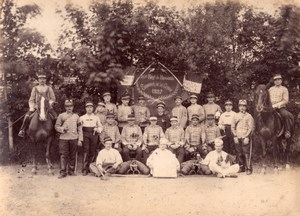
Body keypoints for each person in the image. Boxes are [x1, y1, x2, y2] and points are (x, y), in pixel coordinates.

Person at [18, 72, 57, 137]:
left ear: (45, 80)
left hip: (47, 107)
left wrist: (49, 104)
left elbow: (53, 98)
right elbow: (31, 99)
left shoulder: (49, 88)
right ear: (38, 80)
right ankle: (22, 130)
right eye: (40, 79)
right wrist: (32, 107)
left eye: (43, 79)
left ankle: (56, 132)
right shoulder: (35, 88)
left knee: (56, 117)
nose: (42, 80)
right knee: (27, 116)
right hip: (37, 107)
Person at [55, 99, 83, 179]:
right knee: (63, 155)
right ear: (65, 107)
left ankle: (71, 170)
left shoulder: (76, 116)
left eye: (70, 106)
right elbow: (56, 126)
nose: (69, 108)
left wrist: (80, 139)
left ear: (73, 107)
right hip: (63, 138)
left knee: (73, 155)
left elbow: (80, 128)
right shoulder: (61, 116)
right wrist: (62, 129)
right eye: (67, 106)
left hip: (74, 138)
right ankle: (63, 171)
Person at [80, 101, 103, 176]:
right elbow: (79, 128)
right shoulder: (82, 117)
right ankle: (84, 169)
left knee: (92, 151)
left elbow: (100, 126)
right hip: (85, 134)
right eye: (87, 107)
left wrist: (98, 129)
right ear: (85, 109)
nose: (89, 109)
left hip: (94, 134)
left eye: (91, 107)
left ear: (93, 108)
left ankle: (91, 167)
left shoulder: (96, 117)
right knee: (86, 150)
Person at [232, 99, 254, 175]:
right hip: (237, 136)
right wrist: (235, 136)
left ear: (246, 107)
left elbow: (251, 128)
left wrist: (247, 137)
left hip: (245, 136)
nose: (242, 107)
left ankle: (248, 168)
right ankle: (241, 167)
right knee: (239, 152)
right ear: (238, 107)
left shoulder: (249, 116)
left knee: (246, 153)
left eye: (244, 106)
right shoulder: (235, 115)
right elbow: (232, 127)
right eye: (240, 106)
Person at [268, 74, 294, 139]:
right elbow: (267, 99)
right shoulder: (270, 89)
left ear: (281, 80)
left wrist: (277, 105)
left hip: (280, 107)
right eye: (275, 80)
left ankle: (287, 131)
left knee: (285, 115)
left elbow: (286, 100)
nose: (277, 81)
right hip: (271, 107)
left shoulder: (284, 89)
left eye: (278, 80)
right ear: (274, 81)